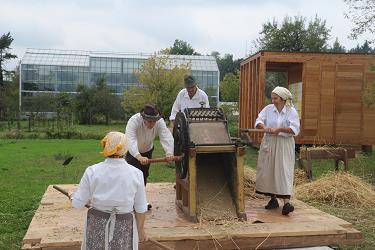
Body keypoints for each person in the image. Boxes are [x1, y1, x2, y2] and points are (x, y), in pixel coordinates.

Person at [71, 131, 148, 250]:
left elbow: (77, 203)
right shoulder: (136, 174)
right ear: (126, 150)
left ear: (105, 147)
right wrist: (141, 230)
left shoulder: (92, 171)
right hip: (124, 225)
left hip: (97, 223)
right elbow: (140, 207)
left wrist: (73, 196)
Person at [254, 86, 300, 216]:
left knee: (283, 170)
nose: (273, 100)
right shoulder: (268, 109)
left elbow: (295, 129)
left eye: (275, 98)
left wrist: (279, 129)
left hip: (284, 144)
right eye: (272, 97)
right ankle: (273, 199)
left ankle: (286, 203)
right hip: (269, 142)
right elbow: (258, 121)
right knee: (269, 169)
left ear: (283, 99)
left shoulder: (291, 111)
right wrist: (265, 127)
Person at [125, 104, 174, 209]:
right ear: (143, 118)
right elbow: (130, 140)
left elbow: (166, 136)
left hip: (147, 150)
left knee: (144, 176)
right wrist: (138, 156)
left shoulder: (159, 122)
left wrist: (169, 152)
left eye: (154, 121)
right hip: (133, 152)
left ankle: (140, 202)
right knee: (133, 177)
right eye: (150, 121)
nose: (153, 124)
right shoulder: (133, 121)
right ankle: (130, 202)